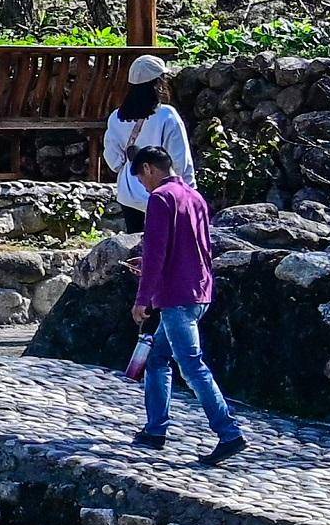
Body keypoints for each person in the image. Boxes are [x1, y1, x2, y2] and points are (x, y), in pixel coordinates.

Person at [127, 141, 248, 463]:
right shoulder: (194, 197)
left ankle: (229, 432)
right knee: (156, 360)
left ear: (149, 169)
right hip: (199, 290)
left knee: (192, 366)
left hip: (176, 297)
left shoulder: (160, 198)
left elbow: (156, 252)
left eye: (141, 178)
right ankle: (155, 430)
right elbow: (196, 246)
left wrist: (142, 299)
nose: (143, 183)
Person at [102, 54, 195, 221]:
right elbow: (180, 161)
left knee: (132, 243)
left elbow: (113, 161)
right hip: (163, 194)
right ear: (159, 82)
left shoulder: (116, 117)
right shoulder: (167, 115)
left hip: (128, 194)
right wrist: (189, 191)